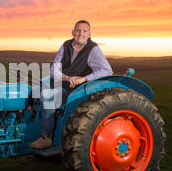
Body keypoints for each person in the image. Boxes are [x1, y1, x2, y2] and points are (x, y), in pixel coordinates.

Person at [30, 20, 113, 149]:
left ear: (89, 34)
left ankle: (46, 137)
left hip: (75, 91)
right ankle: (29, 127)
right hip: (61, 84)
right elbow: (53, 71)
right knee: (33, 91)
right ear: (73, 32)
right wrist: (68, 78)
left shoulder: (93, 49)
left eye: (85, 31)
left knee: (49, 96)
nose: (81, 34)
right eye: (78, 30)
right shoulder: (66, 45)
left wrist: (83, 79)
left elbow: (107, 70)